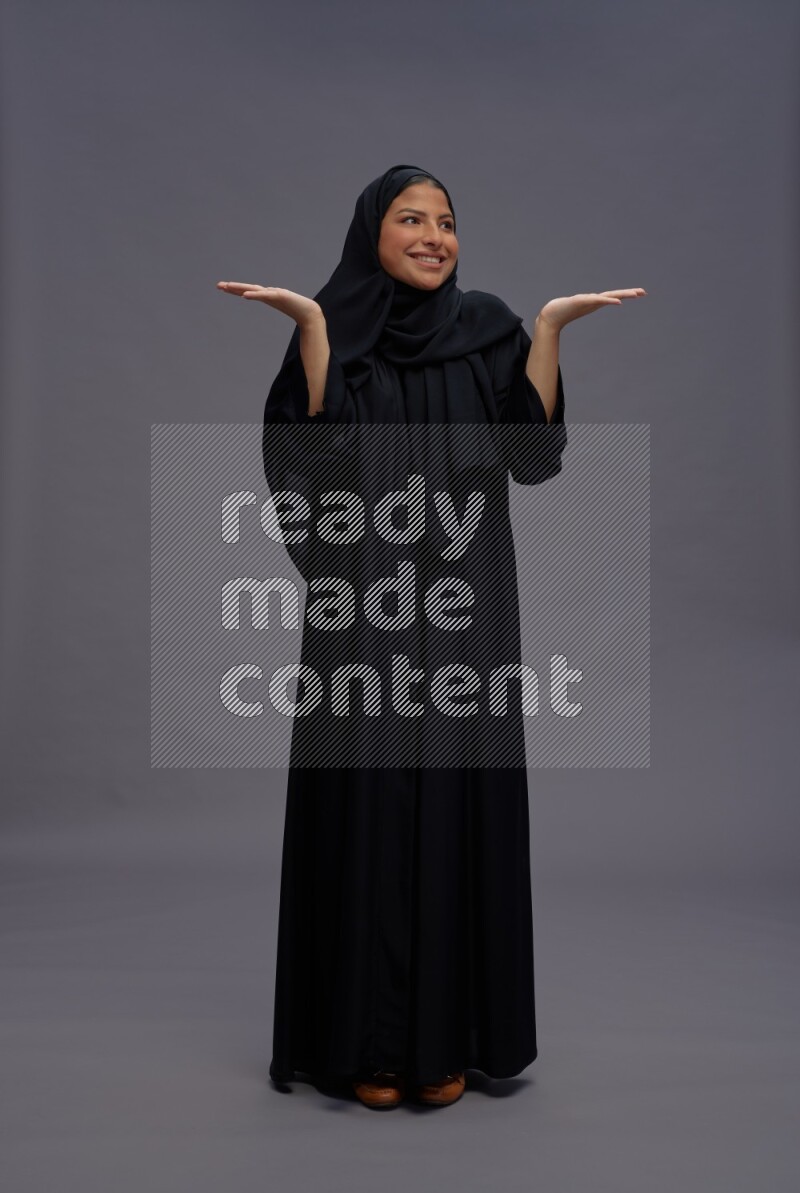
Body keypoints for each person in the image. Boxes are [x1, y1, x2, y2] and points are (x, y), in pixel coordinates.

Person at [217, 164, 645, 1110]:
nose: (433, 235)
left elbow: (530, 458)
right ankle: (367, 1046)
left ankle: (447, 1039)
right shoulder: (332, 334)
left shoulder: (486, 330)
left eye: (446, 221)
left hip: (467, 618)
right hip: (365, 613)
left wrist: (548, 330)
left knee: (456, 807)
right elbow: (308, 469)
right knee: (366, 810)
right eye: (411, 218)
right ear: (372, 232)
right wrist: (319, 335)